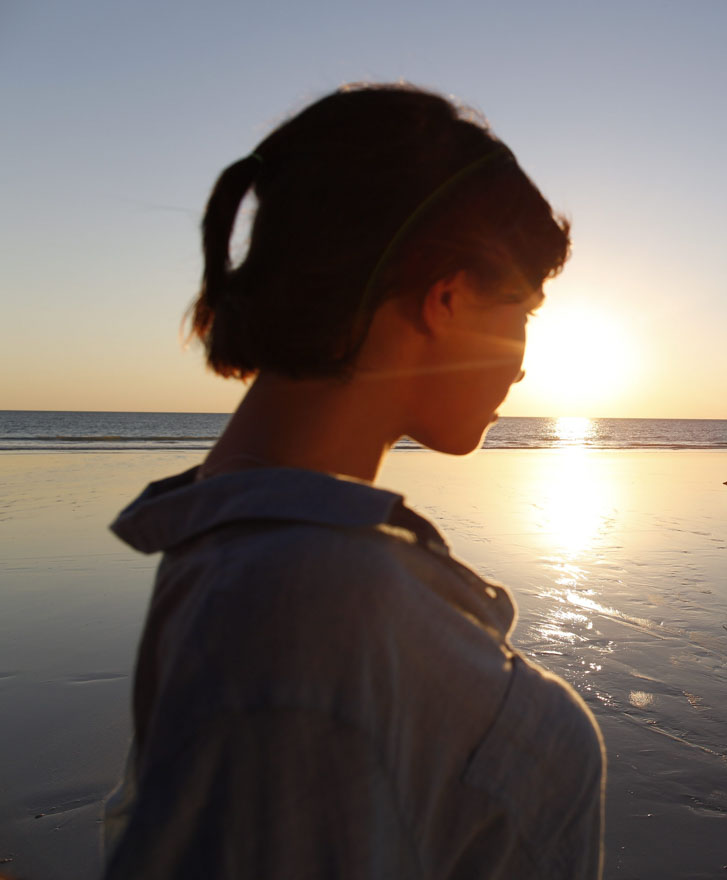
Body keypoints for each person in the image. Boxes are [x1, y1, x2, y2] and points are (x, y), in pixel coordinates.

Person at [103, 85, 604, 879]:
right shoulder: (305, 597)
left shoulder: (249, 552)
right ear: (447, 298)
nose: (522, 359)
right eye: (525, 313)